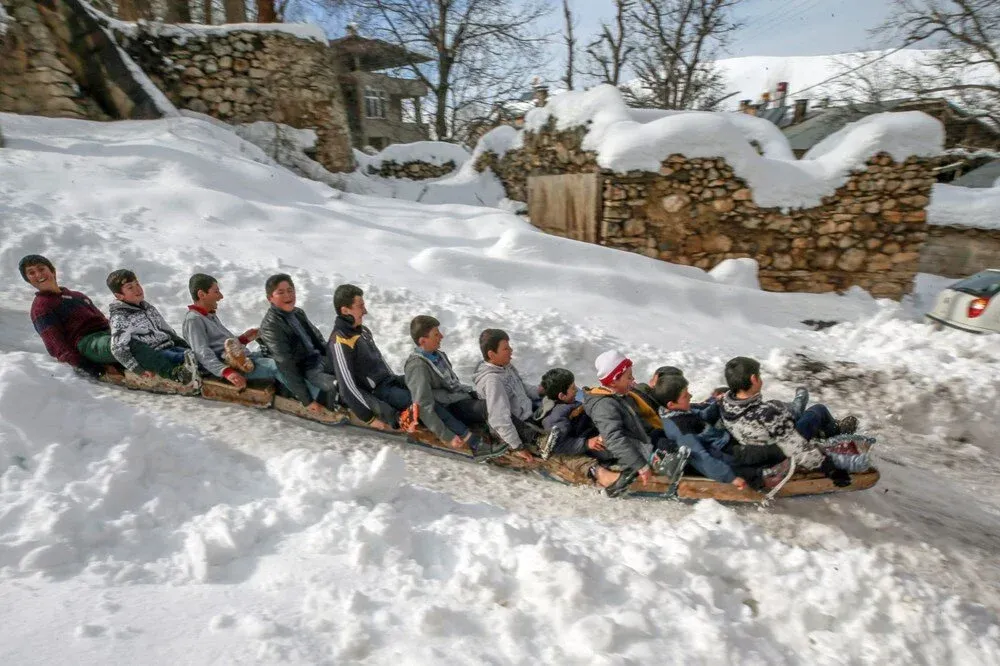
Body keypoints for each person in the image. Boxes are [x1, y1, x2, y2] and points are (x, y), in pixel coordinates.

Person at [719, 356, 854, 487]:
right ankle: (835, 434)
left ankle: (800, 409)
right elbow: (796, 448)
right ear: (753, 379)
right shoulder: (766, 414)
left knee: (780, 407)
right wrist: (831, 469)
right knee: (818, 410)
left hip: (753, 448)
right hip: (777, 457)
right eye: (759, 375)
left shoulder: (725, 404)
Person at [653, 372, 790, 490]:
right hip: (727, 453)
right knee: (775, 451)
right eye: (685, 395)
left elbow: (703, 417)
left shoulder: (679, 412)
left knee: (765, 442)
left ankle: (774, 462)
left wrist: (717, 403)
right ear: (671, 404)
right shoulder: (680, 428)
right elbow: (701, 458)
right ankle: (765, 477)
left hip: (726, 442)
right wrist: (730, 478)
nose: (690, 395)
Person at [583, 350, 689, 497]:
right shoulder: (604, 406)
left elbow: (637, 422)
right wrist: (640, 465)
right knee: (661, 448)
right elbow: (614, 439)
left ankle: (670, 457)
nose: (633, 380)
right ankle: (658, 466)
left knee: (664, 436)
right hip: (618, 451)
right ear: (614, 381)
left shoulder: (622, 395)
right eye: (629, 377)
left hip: (635, 440)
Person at [403, 315, 507, 459]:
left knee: (500, 398)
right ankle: (523, 440)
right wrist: (446, 435)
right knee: (493, 407)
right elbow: (423, 407)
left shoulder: (438, 355)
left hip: (459, 397)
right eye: (436, 334)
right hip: (450, 409)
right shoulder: (418, 366)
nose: (441, 336)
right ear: (422, 341)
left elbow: (452, 383)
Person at [329, 284, 415, 431]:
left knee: (422, 383)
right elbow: (348, 388)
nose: (365, 311)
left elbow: (380, 362)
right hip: (378, 393)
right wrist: (370, 418)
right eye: (360, 306)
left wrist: (398, 381)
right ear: (345, 311)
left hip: (389, 382)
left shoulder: (363, 332)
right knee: (418, 401)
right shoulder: (340, 341)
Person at [20, 254, 119, 378]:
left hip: (108, 338)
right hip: (90, 346)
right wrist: (92, 368)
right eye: (31, 273)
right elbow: (58, 347)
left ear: (52, 271)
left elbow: (104, 322)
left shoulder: (78, 296)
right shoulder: (41, 308)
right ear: (28, 280)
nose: (38, 275)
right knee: (126, 344)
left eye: (41, 269)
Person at [182, 273, 282, 390]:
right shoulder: (194, 320)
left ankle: (291, 389)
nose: (221, 296)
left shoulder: (209, 315)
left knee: (281, 352)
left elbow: (219, 343)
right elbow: (202, 353)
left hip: (244, 357)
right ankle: (305, 400)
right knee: (279, 366)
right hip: (234, 366)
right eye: (216, 292)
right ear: (202, 294)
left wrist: (243, 339)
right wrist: (227, 372)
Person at [257, 273, 339, 415]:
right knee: (338, 386)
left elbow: (318, 341)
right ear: (270, 298)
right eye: (281, 292)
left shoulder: (298, 313)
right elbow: (285, 364)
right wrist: (307, 400)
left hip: (320, 360)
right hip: (307, 370)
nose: (288, 295)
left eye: (290, 290)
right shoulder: (271, 326)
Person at [106, 269, 198, 385]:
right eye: (130, 287)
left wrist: (183, 344)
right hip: (153, 354)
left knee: (192, 353)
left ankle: (212, 365)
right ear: (119, 296)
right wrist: (138, 370)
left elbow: (167, 329)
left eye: (137, 284)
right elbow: (117, 348)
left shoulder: (147, 307)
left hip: (168, 345)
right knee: (183, 358)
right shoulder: (120, 317)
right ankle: (181, 375)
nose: (137, 289)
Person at [472, 329, 543, 461]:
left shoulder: (506, 366)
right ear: (492, 354)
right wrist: (518, 447)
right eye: (506, 348)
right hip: (521, 426)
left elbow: (520, 386)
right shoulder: (493, 381)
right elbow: (499, 418)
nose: (511, 350)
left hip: (529, 413)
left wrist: (539, 391)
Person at [536, 368, 615, 464]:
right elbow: (559, 445)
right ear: (562, 396)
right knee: (613, 450)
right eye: (573, 388)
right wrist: (587, 444)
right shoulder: (556, 417)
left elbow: (585, 398)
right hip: (584, 439)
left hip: (590, 426)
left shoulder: (570, 398)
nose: (576, 389)